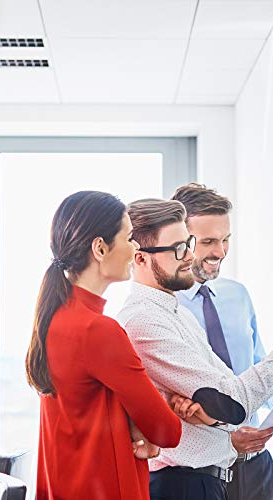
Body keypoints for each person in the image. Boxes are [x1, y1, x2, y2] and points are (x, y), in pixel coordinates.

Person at [117, 198, 273, 500]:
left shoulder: (177, 313)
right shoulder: (143, 320)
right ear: (140, 259)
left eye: (189, 244)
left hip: (217, 474)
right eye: (180, 248)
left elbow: (229, 394)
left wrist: (211, 417)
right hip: (181, 484)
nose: (190, 256)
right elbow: (234, 400)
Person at [25, 191, 188, 500]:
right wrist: (147, 425)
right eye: (128, 238)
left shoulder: (55, 320)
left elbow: (88, 412)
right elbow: (168, 431)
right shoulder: (99, 331)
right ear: (100, 248)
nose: (135, 247)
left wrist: (135, 425)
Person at [172, 183, 273, 500]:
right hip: (197, 474)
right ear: (181, 240)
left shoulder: (238, 295)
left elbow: (258, 364)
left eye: (225, 240)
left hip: (253, 465)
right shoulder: (165, 308)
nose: (219, 252)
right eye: (208, 241)